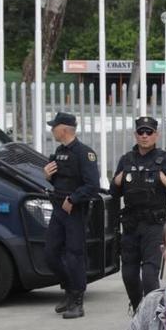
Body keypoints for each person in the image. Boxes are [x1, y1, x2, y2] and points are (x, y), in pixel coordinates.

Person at [108, 116, 166, 312]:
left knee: (149, 275)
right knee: (128, 274)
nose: (144, 136)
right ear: (135, 134)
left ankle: (154, 314)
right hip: (130, 224)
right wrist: (117, 182)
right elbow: (113, 193)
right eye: (141, 132)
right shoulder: (126, 160)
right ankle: (139, 310)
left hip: (154, 225)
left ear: (156, 135)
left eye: (149, 132)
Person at [43, 110, 99, 318]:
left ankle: (77, 299)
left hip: (75, 210)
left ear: (64, 129)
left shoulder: (84, 153)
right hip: (58, 208)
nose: (52, 130)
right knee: (50, 253)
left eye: (54, 127)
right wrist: (47, 177)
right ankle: (68, 289)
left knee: (75, 255)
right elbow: (59, 179)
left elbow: (92, 185)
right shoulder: (59, 151)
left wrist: (74, 199)